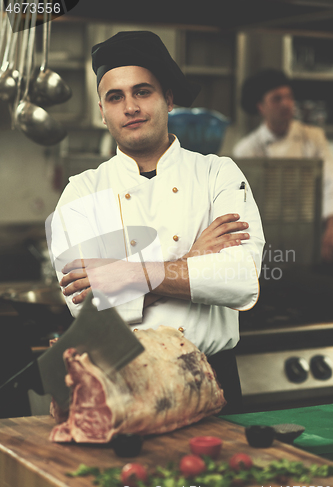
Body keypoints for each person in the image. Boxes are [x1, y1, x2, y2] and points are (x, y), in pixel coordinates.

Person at [47, 31, 265, 415]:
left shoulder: (219, 174)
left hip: (212, 374)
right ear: (102, 109)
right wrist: (193, 262)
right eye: (116, 97)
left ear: (168, 99)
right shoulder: (81, 192)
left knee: (222, 477)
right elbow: (84, 305)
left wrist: (129, 275)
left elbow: (240, 278)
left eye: (142, 91)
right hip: (122, 380)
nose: (130, 106)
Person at [233, 68, 333, 262]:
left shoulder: (313, 137)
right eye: (277, 99)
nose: (286, 104)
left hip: (310, 229)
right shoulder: (247, 149)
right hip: (264, 233)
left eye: (289, 97)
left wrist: (331, 227)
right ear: (261, 106)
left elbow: (330, 182)